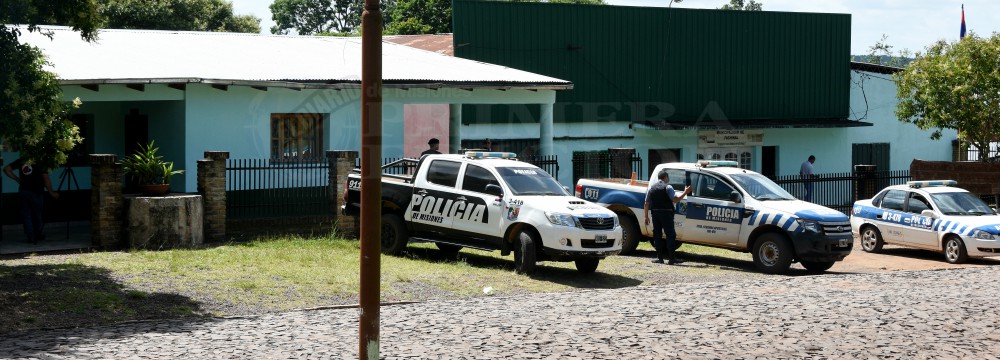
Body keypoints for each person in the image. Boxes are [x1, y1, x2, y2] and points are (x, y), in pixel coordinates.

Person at [3, 158, 59, 243]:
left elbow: (6, 169)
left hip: (24, 191)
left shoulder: (22, 160)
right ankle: (37, 234)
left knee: (26, 215)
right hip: (36, 192)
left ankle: (30, 236)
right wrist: (51, 192)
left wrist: (17, 179)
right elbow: (46, 178)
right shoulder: (40, 161)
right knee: (37, 215)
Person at [644, 169, 691, 265]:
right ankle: (672, 259)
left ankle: (659, 258)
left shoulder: (652, 188)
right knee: (670, 235)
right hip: (666, 214)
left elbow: (646, 203)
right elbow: (675, 199)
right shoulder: (668, 187)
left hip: (655, 214)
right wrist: (685, 192)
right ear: (665, 178)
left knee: (657, 235)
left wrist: (646, 217)